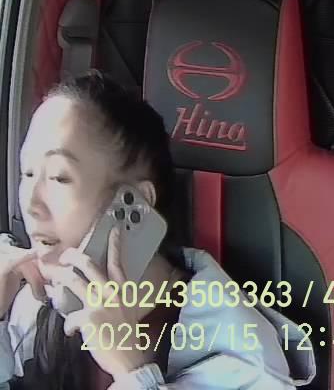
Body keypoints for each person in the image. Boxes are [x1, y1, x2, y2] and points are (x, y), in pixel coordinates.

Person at [0, 71, 315, 389]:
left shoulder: (243, 360)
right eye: (28, 173)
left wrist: (133, 373)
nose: (32, 204)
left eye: (59, 177)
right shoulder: (35, 304)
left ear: (137, 202)